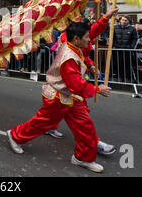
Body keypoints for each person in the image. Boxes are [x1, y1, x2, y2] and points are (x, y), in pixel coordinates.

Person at [7, 22, 112, 173]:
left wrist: (91, 66)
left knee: (85, 125)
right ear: (76, 38)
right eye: (87, 37)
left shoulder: (72, 45)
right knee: (42, 123)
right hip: (57, 96)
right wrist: (98, 89)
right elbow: (76, 84)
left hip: (69, 96)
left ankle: (83, 158)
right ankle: (15, 135)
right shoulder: (68, 56)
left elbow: (83, 57)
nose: (90, 40)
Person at [112, 16, 138, 82]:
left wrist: (131, 47)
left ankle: (127, 78)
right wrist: (113, 45)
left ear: (128, 21)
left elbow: (135, 38)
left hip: (127, 49)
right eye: (123, 20)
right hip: (117, 49)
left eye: (125, 20)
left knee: (127, 64)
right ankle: (119, 77)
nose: (124, 21)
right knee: (118, 64)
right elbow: (112, 37)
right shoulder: (115, 27)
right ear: (120, 20)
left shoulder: (132, 28)